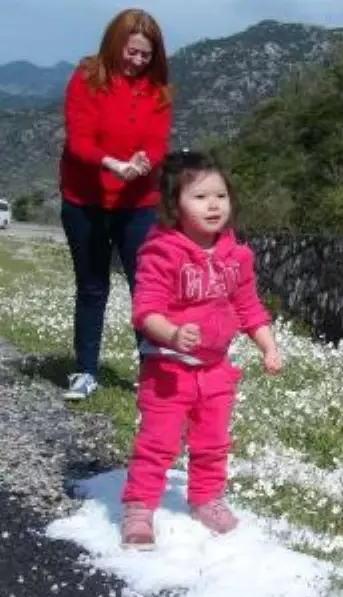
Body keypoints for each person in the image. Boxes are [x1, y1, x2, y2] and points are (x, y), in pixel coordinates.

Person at [119, 150, 283, 550]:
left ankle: (206, 499)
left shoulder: (236, 256)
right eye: (200, 197)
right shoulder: (161, 252)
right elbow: (146, 311)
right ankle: (139, 508)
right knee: (157, 443)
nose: (214, 205)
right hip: (168, 371)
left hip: (215, 370)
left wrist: (268, 346)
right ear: (174, 205)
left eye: (221, 196)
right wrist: (172, 335)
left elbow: (248, 307)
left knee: (213, 442)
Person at [59, 8, 173, 401]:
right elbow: (79, 140)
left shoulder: (157, 91)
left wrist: (144, 163)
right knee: (92, 287)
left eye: (146, 55)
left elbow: (158, 142)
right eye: (133, 52)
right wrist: (111, 164)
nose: (138, 61)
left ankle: (153, 375)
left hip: (138, 203)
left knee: (147, 288)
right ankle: (86, 370)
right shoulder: (87, 78)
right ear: (115, 44)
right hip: (85, 201)